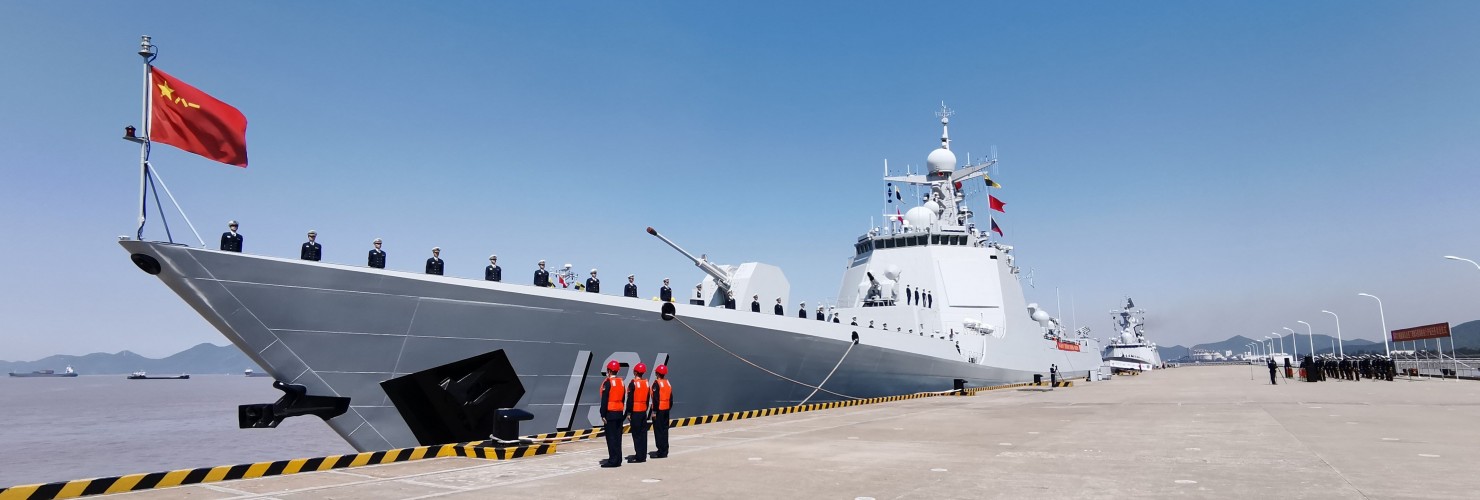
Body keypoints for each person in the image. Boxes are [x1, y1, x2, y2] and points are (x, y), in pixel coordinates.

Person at [598, 360, 626, 468]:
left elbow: (604, 400)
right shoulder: (621, 382)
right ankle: (618, 459)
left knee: (611, 438)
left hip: (610, 413)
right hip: (619, 412)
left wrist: (603, 414)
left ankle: (613, 461)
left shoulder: (608, 382)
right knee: (618, 438)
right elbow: (623, 398)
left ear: (609, 371)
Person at [625, 363, 652, 463]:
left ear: (635, 372)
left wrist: (628, 413)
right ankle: (643, 455)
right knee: (643, 434)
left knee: (636, 435)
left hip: (635, 413)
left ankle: (639, 457)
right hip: (643, 412)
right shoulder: (646, 383)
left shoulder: (633, 384)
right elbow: (648, 397)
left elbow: (630, 400)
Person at [649, 364, 673, 459]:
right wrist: (668, 408)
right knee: (665, 430)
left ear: (657, 373)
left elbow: (655, 399)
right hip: (666, 410)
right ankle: (665, 450)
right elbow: (671, 398)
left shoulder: (656, 384)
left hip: (659, 411)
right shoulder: (667, 383)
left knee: (658, 431)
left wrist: (654, 412)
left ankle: (660, 451)